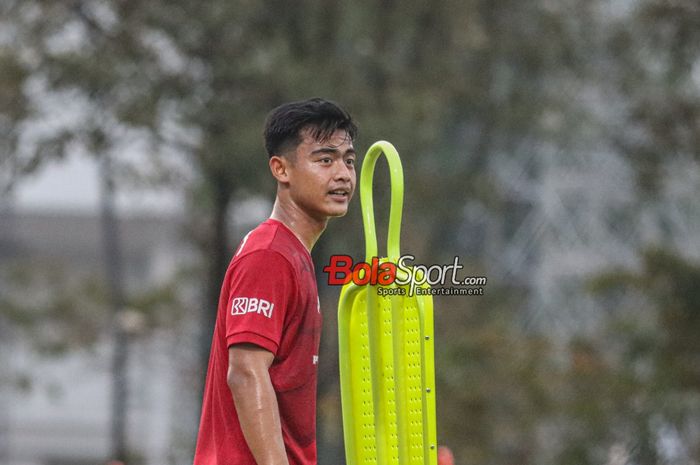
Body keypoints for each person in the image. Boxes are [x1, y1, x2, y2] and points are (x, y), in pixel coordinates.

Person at [193, 98, 358, 465]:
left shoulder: (293, 256)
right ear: (281, 169)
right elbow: (246, 373)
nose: (343, 174)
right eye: (325, 159)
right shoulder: (269, 255)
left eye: (349, 160)